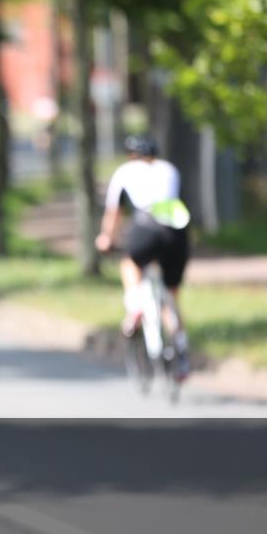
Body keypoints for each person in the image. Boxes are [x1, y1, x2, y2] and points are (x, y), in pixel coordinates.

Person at [95, 136, 192, 380]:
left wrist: (107, 238)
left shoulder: (125, 171)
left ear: (131, 155)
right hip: (176, 231)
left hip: (146, 227)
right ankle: (180, 353)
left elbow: (114, 212)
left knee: (130, 264)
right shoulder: (170, 169)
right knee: (171, 298)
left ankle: (136, 306)